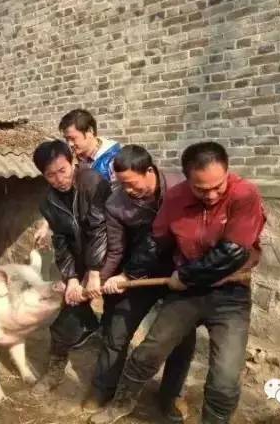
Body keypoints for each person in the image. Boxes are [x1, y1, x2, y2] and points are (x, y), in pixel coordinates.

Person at [91, 142, 266, 424]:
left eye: (217, 186)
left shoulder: (245, 194)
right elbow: (155, 241)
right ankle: (120, 404)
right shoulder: (176, 198)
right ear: (187, 180)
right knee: (148, 352)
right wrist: (129, 274)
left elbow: (233, 253)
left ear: (227, 172)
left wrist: (184, 276)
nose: (211, 195)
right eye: (201, 189)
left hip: (230, 294)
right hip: (188, 296)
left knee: (225, 378)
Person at [82, 145, 196, 424]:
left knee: (181, 339)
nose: (128, 192)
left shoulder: (182, 188)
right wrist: (102, 277)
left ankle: (171, 395)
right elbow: (116, 249)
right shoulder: (116, 204)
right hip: (138, 275)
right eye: (121, 185)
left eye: (132, 184)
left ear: (149, 171)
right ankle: (103, 387)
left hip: (181, 274)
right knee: (116, 331)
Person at [31, 139, 112, 395]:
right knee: (66, 318)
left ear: (73, 162)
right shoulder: (48, 203)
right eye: (50, 175)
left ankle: (108, 382)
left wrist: (94, 271)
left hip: (112, 258)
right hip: (81, 262)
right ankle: (55, 369)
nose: (58, 179)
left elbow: (101, 229)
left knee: (118, 324)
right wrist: (72, 278)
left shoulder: (93, 183)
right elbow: (62, 241)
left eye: (62, 170)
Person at [34, 109, 121, 248]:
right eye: (67, 139)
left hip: (110, 237)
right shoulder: (73, 159)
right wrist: (47, 224)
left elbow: (118, 207)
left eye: (73, 138)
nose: (70, 144)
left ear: (90, 131)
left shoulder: (114, 161)